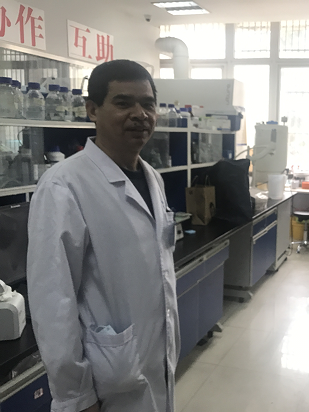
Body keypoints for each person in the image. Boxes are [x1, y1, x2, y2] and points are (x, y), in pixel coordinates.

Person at [27, 60, 180, 412]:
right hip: (106, 378)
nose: (140, 115)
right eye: (124, 103)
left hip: (155, 359)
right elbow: (53, 300)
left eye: (148, 104)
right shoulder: (63, 185)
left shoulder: (153, 178)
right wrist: (75, 397)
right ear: (92, 109)